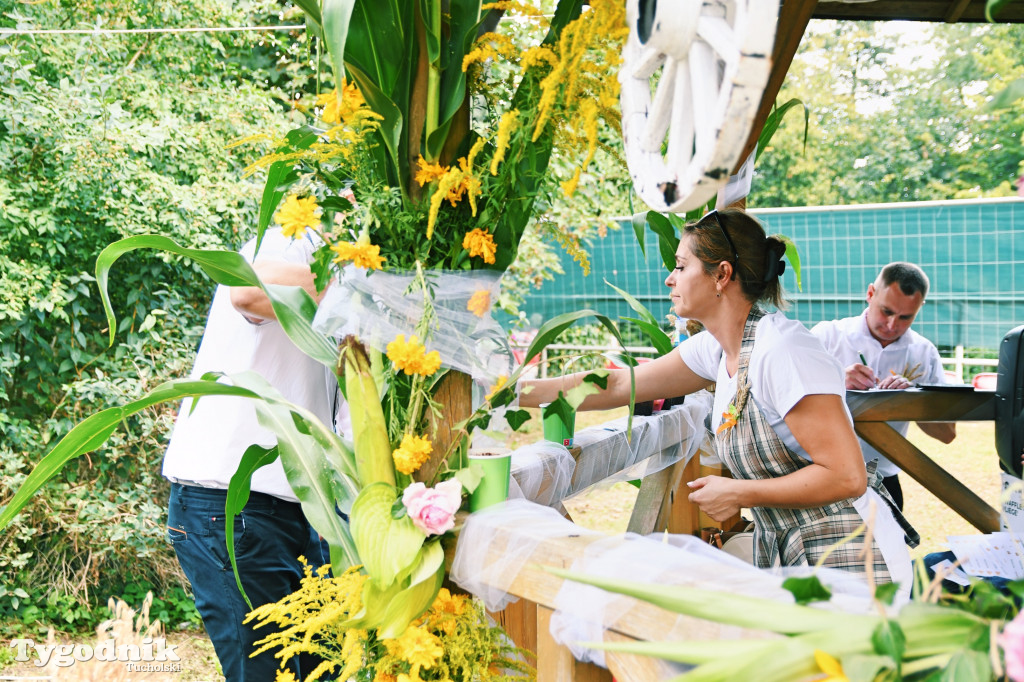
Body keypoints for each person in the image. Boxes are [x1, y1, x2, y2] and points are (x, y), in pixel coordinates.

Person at [520, 208, 912, 590]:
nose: (669, 279)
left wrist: (743, 492)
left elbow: (846, 475)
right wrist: (508, 393)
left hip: (856, 560)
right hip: (800, 559)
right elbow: (620, 386)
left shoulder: (783, 351)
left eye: (681, 266)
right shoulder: (718, 348)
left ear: (722, 274)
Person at [163, 227, 346, 681]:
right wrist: (364, 283)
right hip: (233, 507)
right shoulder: (295, 235)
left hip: (304, 510)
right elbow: (246, 289)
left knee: (328, 671)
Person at [811, 262, 956, 511]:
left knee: (890, 551)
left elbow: (947, 435)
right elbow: (781, 405)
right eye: (886, 311)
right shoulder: (828, 336)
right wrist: (834, 380)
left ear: (920, 308)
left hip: (884, 482)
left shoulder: (924, 352)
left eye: (905, 317)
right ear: (870, 294)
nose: (891, 325)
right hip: (819, 476)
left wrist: (912, 401)